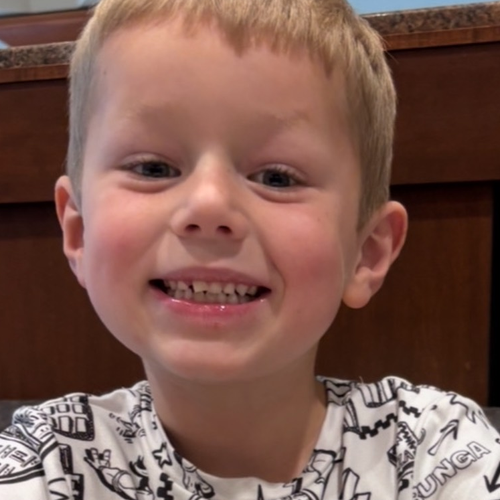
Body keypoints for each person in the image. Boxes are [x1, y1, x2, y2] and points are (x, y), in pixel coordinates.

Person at [1, 0, 499, 498]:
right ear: (79, 232)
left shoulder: (434, 452)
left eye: (277, 178)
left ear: (366, 252)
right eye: (153, 169)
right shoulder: (48, 461)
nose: (209, 204)